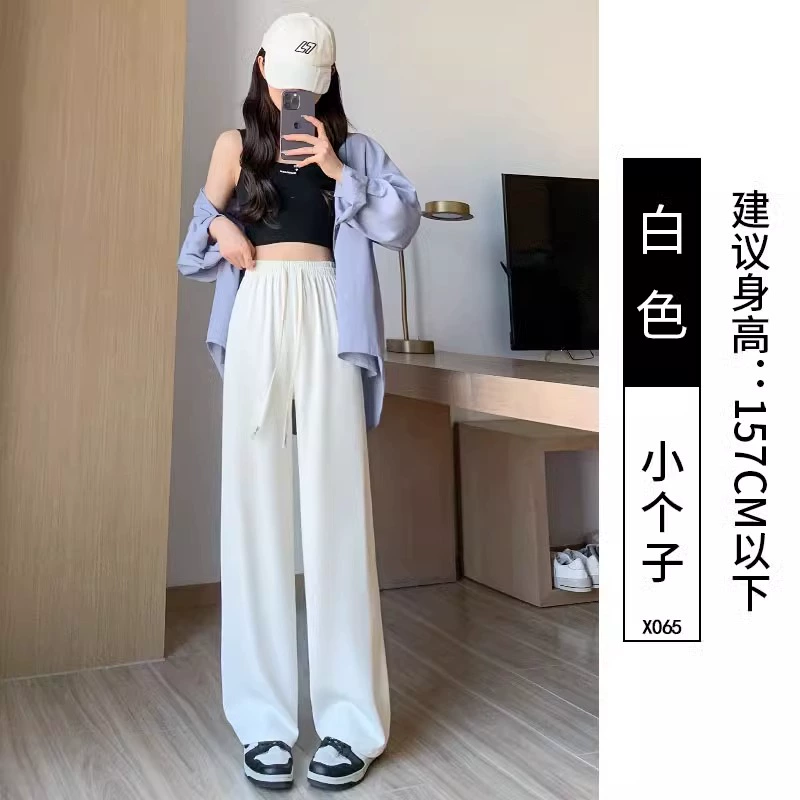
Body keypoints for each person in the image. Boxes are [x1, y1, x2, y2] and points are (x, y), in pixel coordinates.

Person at [177, 11, 421, 792]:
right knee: (254, 511)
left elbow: (401, 223)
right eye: (285, 81)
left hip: (328, 313)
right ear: (261, 67)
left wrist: (338, 170)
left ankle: (351, 722)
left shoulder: (357, 150)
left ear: (328, 81)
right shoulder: (233, 145)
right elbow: (192, 246)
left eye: (309, 85)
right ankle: (264, 724)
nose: (294, 97)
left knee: (336, 508)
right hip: (259, 306)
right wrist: (223, 234)